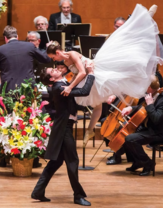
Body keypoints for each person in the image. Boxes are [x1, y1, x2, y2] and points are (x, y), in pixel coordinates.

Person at [46, 4, 163, 147]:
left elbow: (83, 72)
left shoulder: (72, 54)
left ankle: (145, 17)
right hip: (93, 75)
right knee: (97, 103)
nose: (53, 60)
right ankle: (89, 130)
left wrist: (70, 87)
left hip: (98, 69)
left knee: (124, 49)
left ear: (57, 53)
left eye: (53, 57)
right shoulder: (64, 60)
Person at [31, 63, 94, 206]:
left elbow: (73, 100)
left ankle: (38, 191)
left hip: (64, 126)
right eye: (52, 70)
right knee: (72, 161)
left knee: (56, 162)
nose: (56, 69)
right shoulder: (60, 87)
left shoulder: (64, 84)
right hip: (64, 128)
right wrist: (90, 74)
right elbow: (84, 91)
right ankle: (78, 196)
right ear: (52, 79)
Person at [0, 25, 51, 127]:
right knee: (31, 115)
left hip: (9, 88)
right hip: (29, 88)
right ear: (17, 36)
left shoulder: (0, 50)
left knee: (11, 117)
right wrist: (48, 48)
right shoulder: (30, 46)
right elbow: (46, 59)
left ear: (5, 38)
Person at [121, 75, 163, 176]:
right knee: (123, 130)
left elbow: (156, 118)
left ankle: (148, 163)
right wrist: (131, 108)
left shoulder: (162, 99)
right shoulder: (153, 94)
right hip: (149, 128)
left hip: (158, 132)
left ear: (149, 87)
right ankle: (138, 161)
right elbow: (143, 108)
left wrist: (150, 105)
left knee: (130, 138)